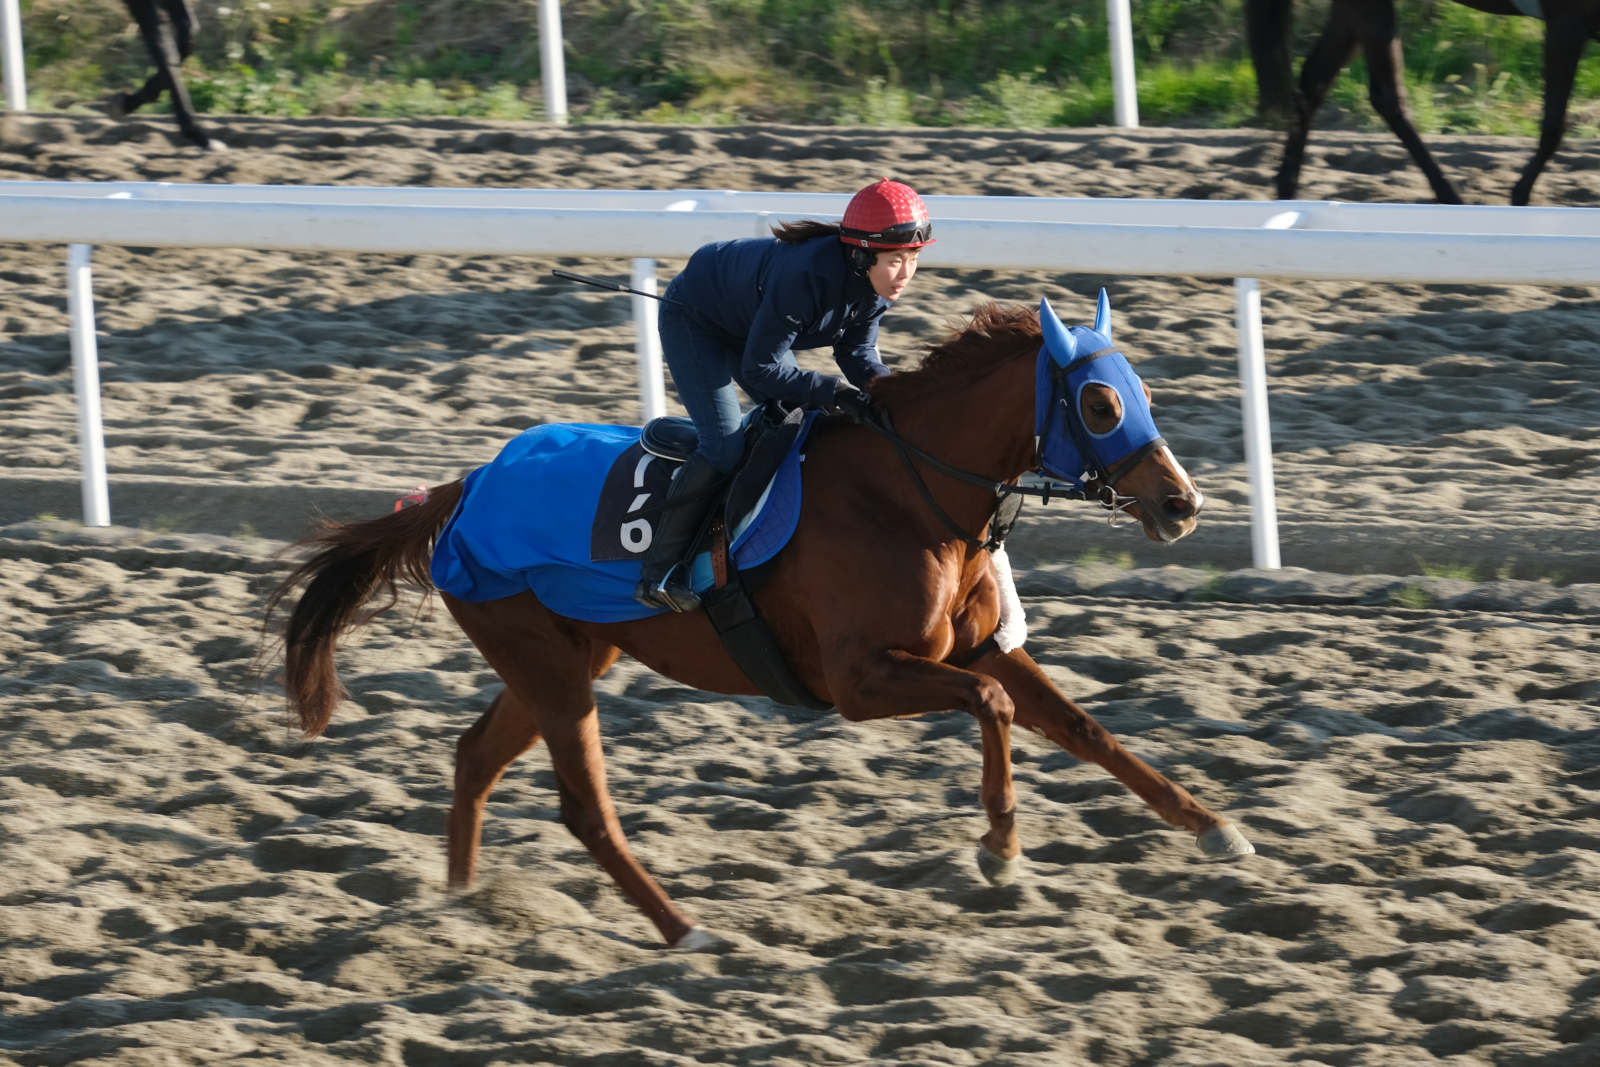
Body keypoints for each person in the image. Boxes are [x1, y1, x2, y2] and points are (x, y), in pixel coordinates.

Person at [635, 178, 935, 613]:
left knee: (798, 420)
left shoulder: (876, 284)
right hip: (697, 322)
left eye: (913, 259)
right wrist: (833, 391)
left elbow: (856, 352)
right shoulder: (805, 276)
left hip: (751, 325)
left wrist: (891, 394)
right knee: (724, 444)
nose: (905, 274)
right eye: (894, 261)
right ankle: (659, 573)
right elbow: (762, 367)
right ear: (860, 255)